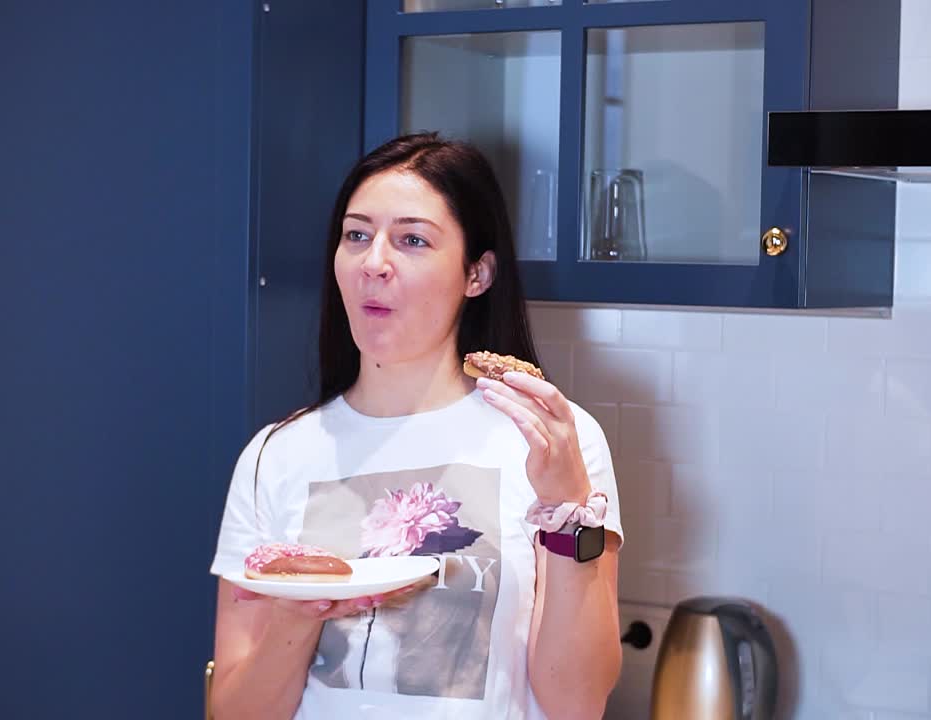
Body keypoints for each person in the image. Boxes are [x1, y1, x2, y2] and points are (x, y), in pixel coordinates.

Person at [208, 132, 624, 720]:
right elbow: (236, 712)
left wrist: (567, 506)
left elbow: (577, 702)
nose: (374, 263)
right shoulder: (275, 455)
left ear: (477, 274)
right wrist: (298, 615)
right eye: (357, 235)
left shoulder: (548, 437)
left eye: (412, 240)